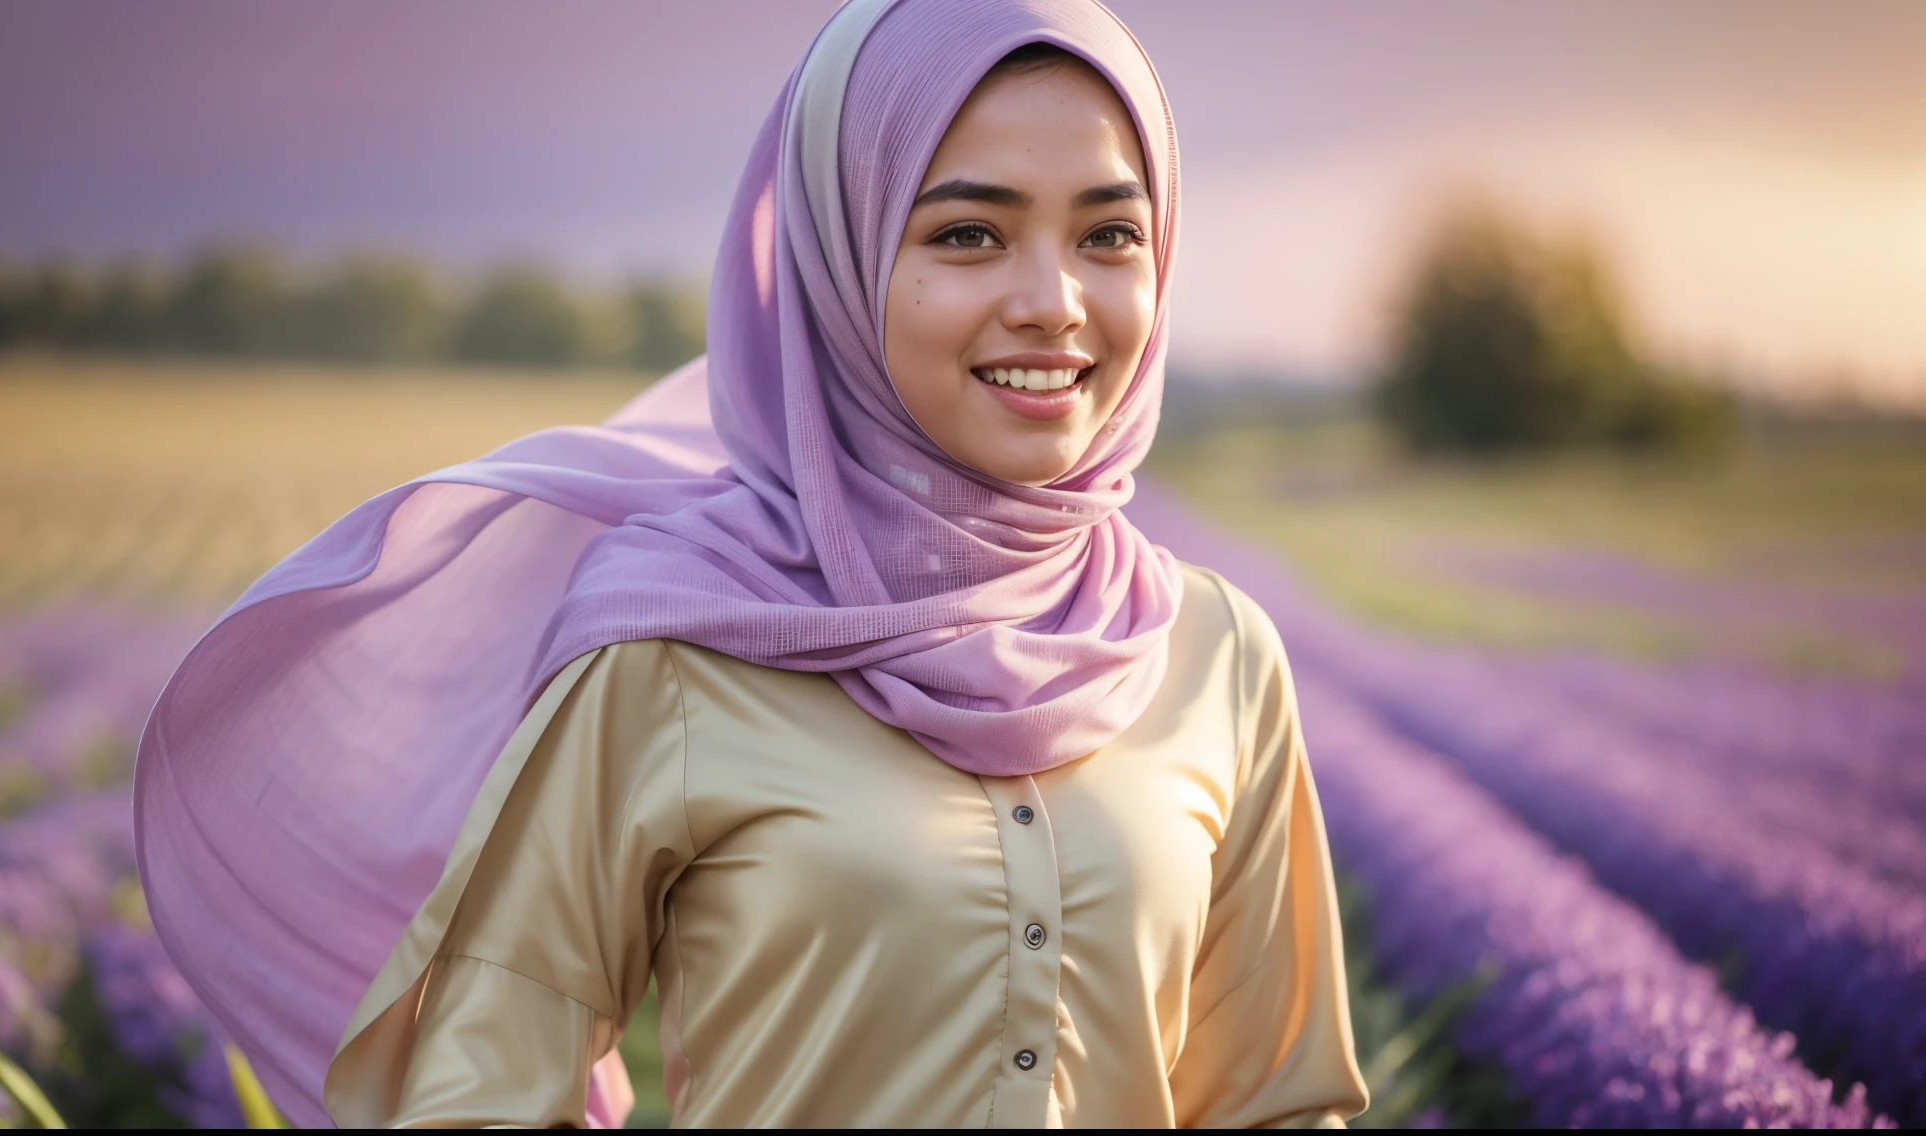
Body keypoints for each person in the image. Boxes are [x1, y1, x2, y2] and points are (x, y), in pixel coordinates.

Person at [134, 0, 1367, 1127]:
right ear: (836, 262)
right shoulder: (671, 653)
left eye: (1109, 233)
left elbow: (1272, 1099)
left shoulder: (1214, 657)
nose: (1052, 299)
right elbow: (480, 1092)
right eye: (968, 232)